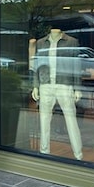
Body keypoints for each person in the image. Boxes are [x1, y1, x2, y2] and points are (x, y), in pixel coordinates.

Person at [30, 29, 83, 160]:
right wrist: (35, 86)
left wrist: (77, 87)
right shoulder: (41, 42)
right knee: (44, 121)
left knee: (71, 119)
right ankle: (44, 152)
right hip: (45, 85)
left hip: (64, 84)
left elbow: (76, 65)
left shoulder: (71, 42)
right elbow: (37, 64)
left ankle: (79, 155)